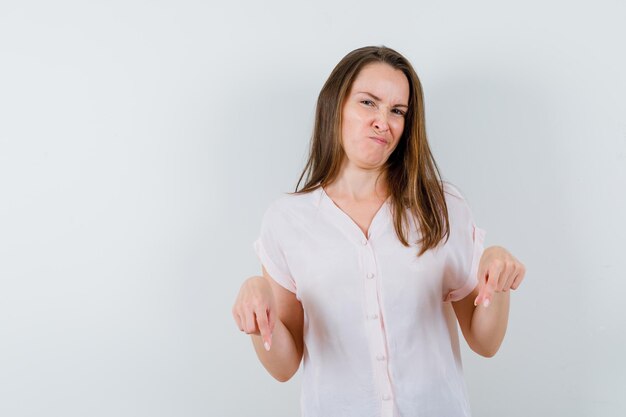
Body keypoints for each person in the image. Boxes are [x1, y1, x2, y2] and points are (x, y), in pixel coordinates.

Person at [232, 46, 525, 417]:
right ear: (335, 105)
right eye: (368, 103)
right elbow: (284, 367)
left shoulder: (440, 206)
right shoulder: (287, 220)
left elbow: (485, 341)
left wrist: (496, 276)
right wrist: (259, 314)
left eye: (397, 111)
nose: (383, 121)